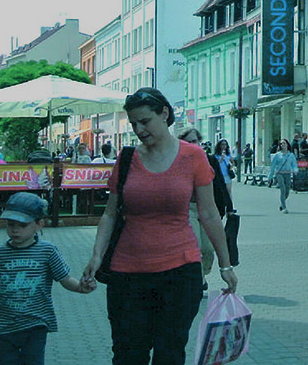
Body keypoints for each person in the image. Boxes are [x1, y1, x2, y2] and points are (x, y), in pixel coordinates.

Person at [83, 88, 237, 365]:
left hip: (180, 273)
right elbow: (109, 214)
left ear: (164, 114)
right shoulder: (127, 158)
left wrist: (225, 266)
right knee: (128, 355)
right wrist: (96, 255)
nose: (139, 130)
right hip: (127, 275)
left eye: (145, 121)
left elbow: (209, 214)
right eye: (134, 124)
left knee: (170, 354)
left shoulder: (193, 156)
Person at [0, 192, 95, 363]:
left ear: (39, 224)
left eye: (22, 225)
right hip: (3, 327)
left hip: (35, 325)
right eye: (10, 224)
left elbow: (65, 279)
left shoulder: (48, 251)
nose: (15, 230)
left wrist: (81, 287)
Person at [176, 126, 232, 288]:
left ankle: (203, 272)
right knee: (196, 245)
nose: (193, 144)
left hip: (207, 207)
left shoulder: (208, 160)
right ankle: (199, 279)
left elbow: (220, 184)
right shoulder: (176, 161)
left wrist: (228, 207)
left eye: (195, 141)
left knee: (209, 249)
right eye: (189, 142)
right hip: (188, 208)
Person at [269, 139, 298, 213]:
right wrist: (270, 176)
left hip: (287, 173)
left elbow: (294, 164)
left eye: (284, 143)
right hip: (279, 173)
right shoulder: (277, 155)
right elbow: (273, 166)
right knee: (283, 189)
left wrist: (295, 170)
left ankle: (282, 203)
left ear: (287, 145)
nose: (282, 145)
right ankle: (284, 207)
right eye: (281, 144)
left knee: (287, 191)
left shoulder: (291, 155)